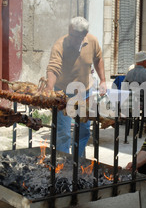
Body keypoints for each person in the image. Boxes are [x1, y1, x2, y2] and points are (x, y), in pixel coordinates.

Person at [42, 16, 107, 157]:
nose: (72, 38)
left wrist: (103, 80)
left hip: (85, 91)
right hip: (63, 93)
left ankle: (79, 161)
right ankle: (63, 161)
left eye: (76, 36)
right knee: (63, 131)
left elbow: (98, 58)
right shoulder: (60, 45)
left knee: (83, 129)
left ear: (84, 35)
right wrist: (48, 89)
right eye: (71, 34)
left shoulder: (92, 41)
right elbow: (53, 68)